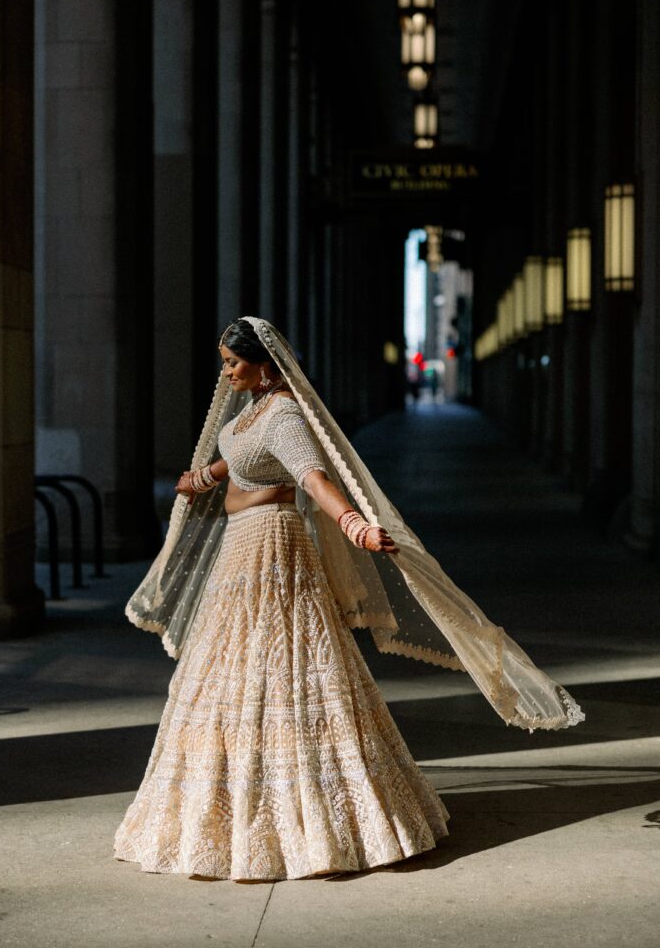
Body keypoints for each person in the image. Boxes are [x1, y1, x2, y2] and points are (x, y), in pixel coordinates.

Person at [114, 317, 583, 882]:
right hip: (239, 550)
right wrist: (206, 477)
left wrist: (354, 523)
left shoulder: (284, 412)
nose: (226, 372)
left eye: (233, 362)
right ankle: (230, 804)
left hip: (271, 546)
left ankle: (307, 817)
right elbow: (239, 455)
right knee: (229, 669)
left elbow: (312, 478)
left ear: (263, 364)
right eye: (224, 362)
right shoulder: (254, 410)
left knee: (285, 667)